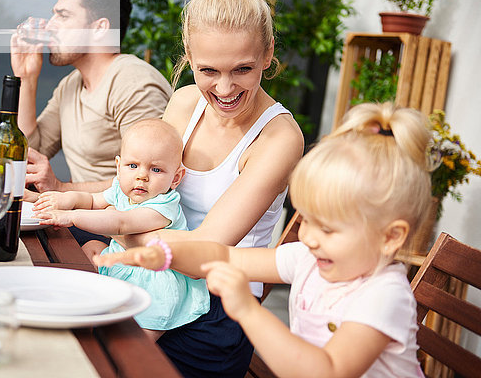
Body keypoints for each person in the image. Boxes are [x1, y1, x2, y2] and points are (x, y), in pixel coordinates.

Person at [96, 103, 432, 378]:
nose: (310, 238)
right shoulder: (308, 258)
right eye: (307, 221)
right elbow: (223, 257)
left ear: (391, 238)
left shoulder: (384, 295)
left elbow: (327, 371)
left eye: (328, 229)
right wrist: (165, 253)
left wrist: (247, 310)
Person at [101, 0, 304, 376]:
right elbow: (142, 185)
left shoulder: (278, 137)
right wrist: (65, 191)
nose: (225, 89)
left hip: (216, 308)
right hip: (151, 271)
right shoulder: (186, 100)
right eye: (208, 70)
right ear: (189, 56)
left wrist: (121, 226)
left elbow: (204, 251)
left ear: (268, 54)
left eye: (242, 69)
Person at [32, 119, 210, 342]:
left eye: (156, 169)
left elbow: (121, 223)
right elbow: (92, 200)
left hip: (155, 283)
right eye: (133, 166)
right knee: (91, 247)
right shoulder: (122, 188)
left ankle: (129, 358)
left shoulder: (165, 205)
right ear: (119, 166)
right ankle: (90, 308)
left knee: (133, 342)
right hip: (125, 262)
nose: (142, 176)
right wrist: (67, 199)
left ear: (175, 178)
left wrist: (72, 216)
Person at [11, 0, 172, 195]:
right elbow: (28, 154)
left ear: (99, 28)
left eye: (63, 15)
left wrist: (61, 189)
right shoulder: (70, 85)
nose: (50, 25)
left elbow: (149, 182)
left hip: (118, 226)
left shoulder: (134, 84)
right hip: (76, 219)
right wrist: (26, 79)